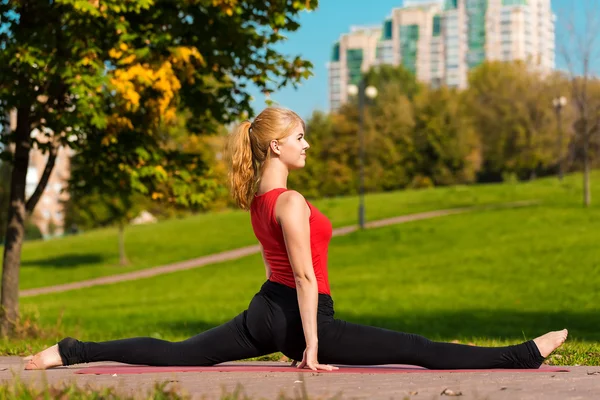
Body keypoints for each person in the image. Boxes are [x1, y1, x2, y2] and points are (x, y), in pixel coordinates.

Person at [25, 107, 568, 371]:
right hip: (297, 315)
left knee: (179, 355)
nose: (307, 144)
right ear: (276, 147)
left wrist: (292, 335)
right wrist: (311, 345)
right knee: (413, 349)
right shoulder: (289, 202)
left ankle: (69, 351)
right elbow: (306, 277)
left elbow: (287, 273)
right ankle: (522, 356)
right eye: (299, 137)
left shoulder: (262, 197)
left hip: (267, 310)